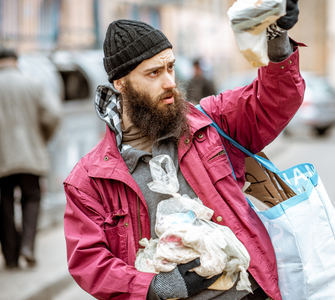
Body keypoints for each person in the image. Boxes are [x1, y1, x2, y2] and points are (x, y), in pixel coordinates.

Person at [63, 1, 304, 299]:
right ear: (121, 83)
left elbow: (274, 99)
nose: (170, 83)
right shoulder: (90, 179)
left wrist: (276, 39)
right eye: (153, 73)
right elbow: (88, 262)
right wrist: (155, 286)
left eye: (170, 67)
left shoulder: (211, 123)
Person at [0, 48, 61, 269]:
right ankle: (27, 246)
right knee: (32, 198)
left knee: (4, 203)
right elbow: (53, 114)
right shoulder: (33, 83)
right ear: (16, 61)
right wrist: (41, 137)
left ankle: (10, 257)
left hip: (2, 159)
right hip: (31, 155)